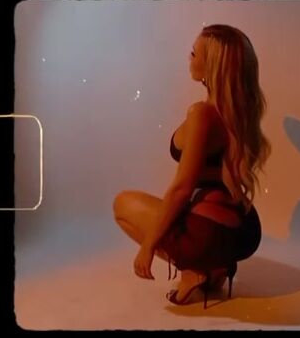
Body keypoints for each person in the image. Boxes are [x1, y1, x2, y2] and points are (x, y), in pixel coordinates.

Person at [113, 24, 271, 307]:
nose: (189, 59)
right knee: (172, 214)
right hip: (244, 230)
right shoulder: (240, 111)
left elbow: (182, 188)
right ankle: (216, 268)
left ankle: (194, 270)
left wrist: (148, 247)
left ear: (211, 66)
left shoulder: (202, 114)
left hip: (207, 233)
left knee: (122, 204)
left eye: (194, 53)